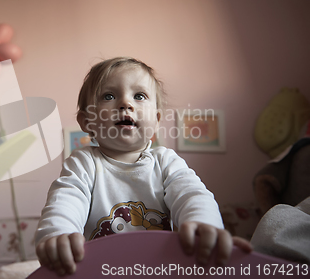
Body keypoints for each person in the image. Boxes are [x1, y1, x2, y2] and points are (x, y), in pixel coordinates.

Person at [35, 57, 252, 276]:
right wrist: (58, 233)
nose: (125, 103)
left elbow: (191, 194)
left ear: (157, 120)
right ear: (87, 121)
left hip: (160, 266)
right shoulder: (83, 162)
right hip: (100, 270)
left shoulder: (166, 161)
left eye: (139, 96)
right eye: (109, 96)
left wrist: (204, 224)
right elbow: (66, 198)